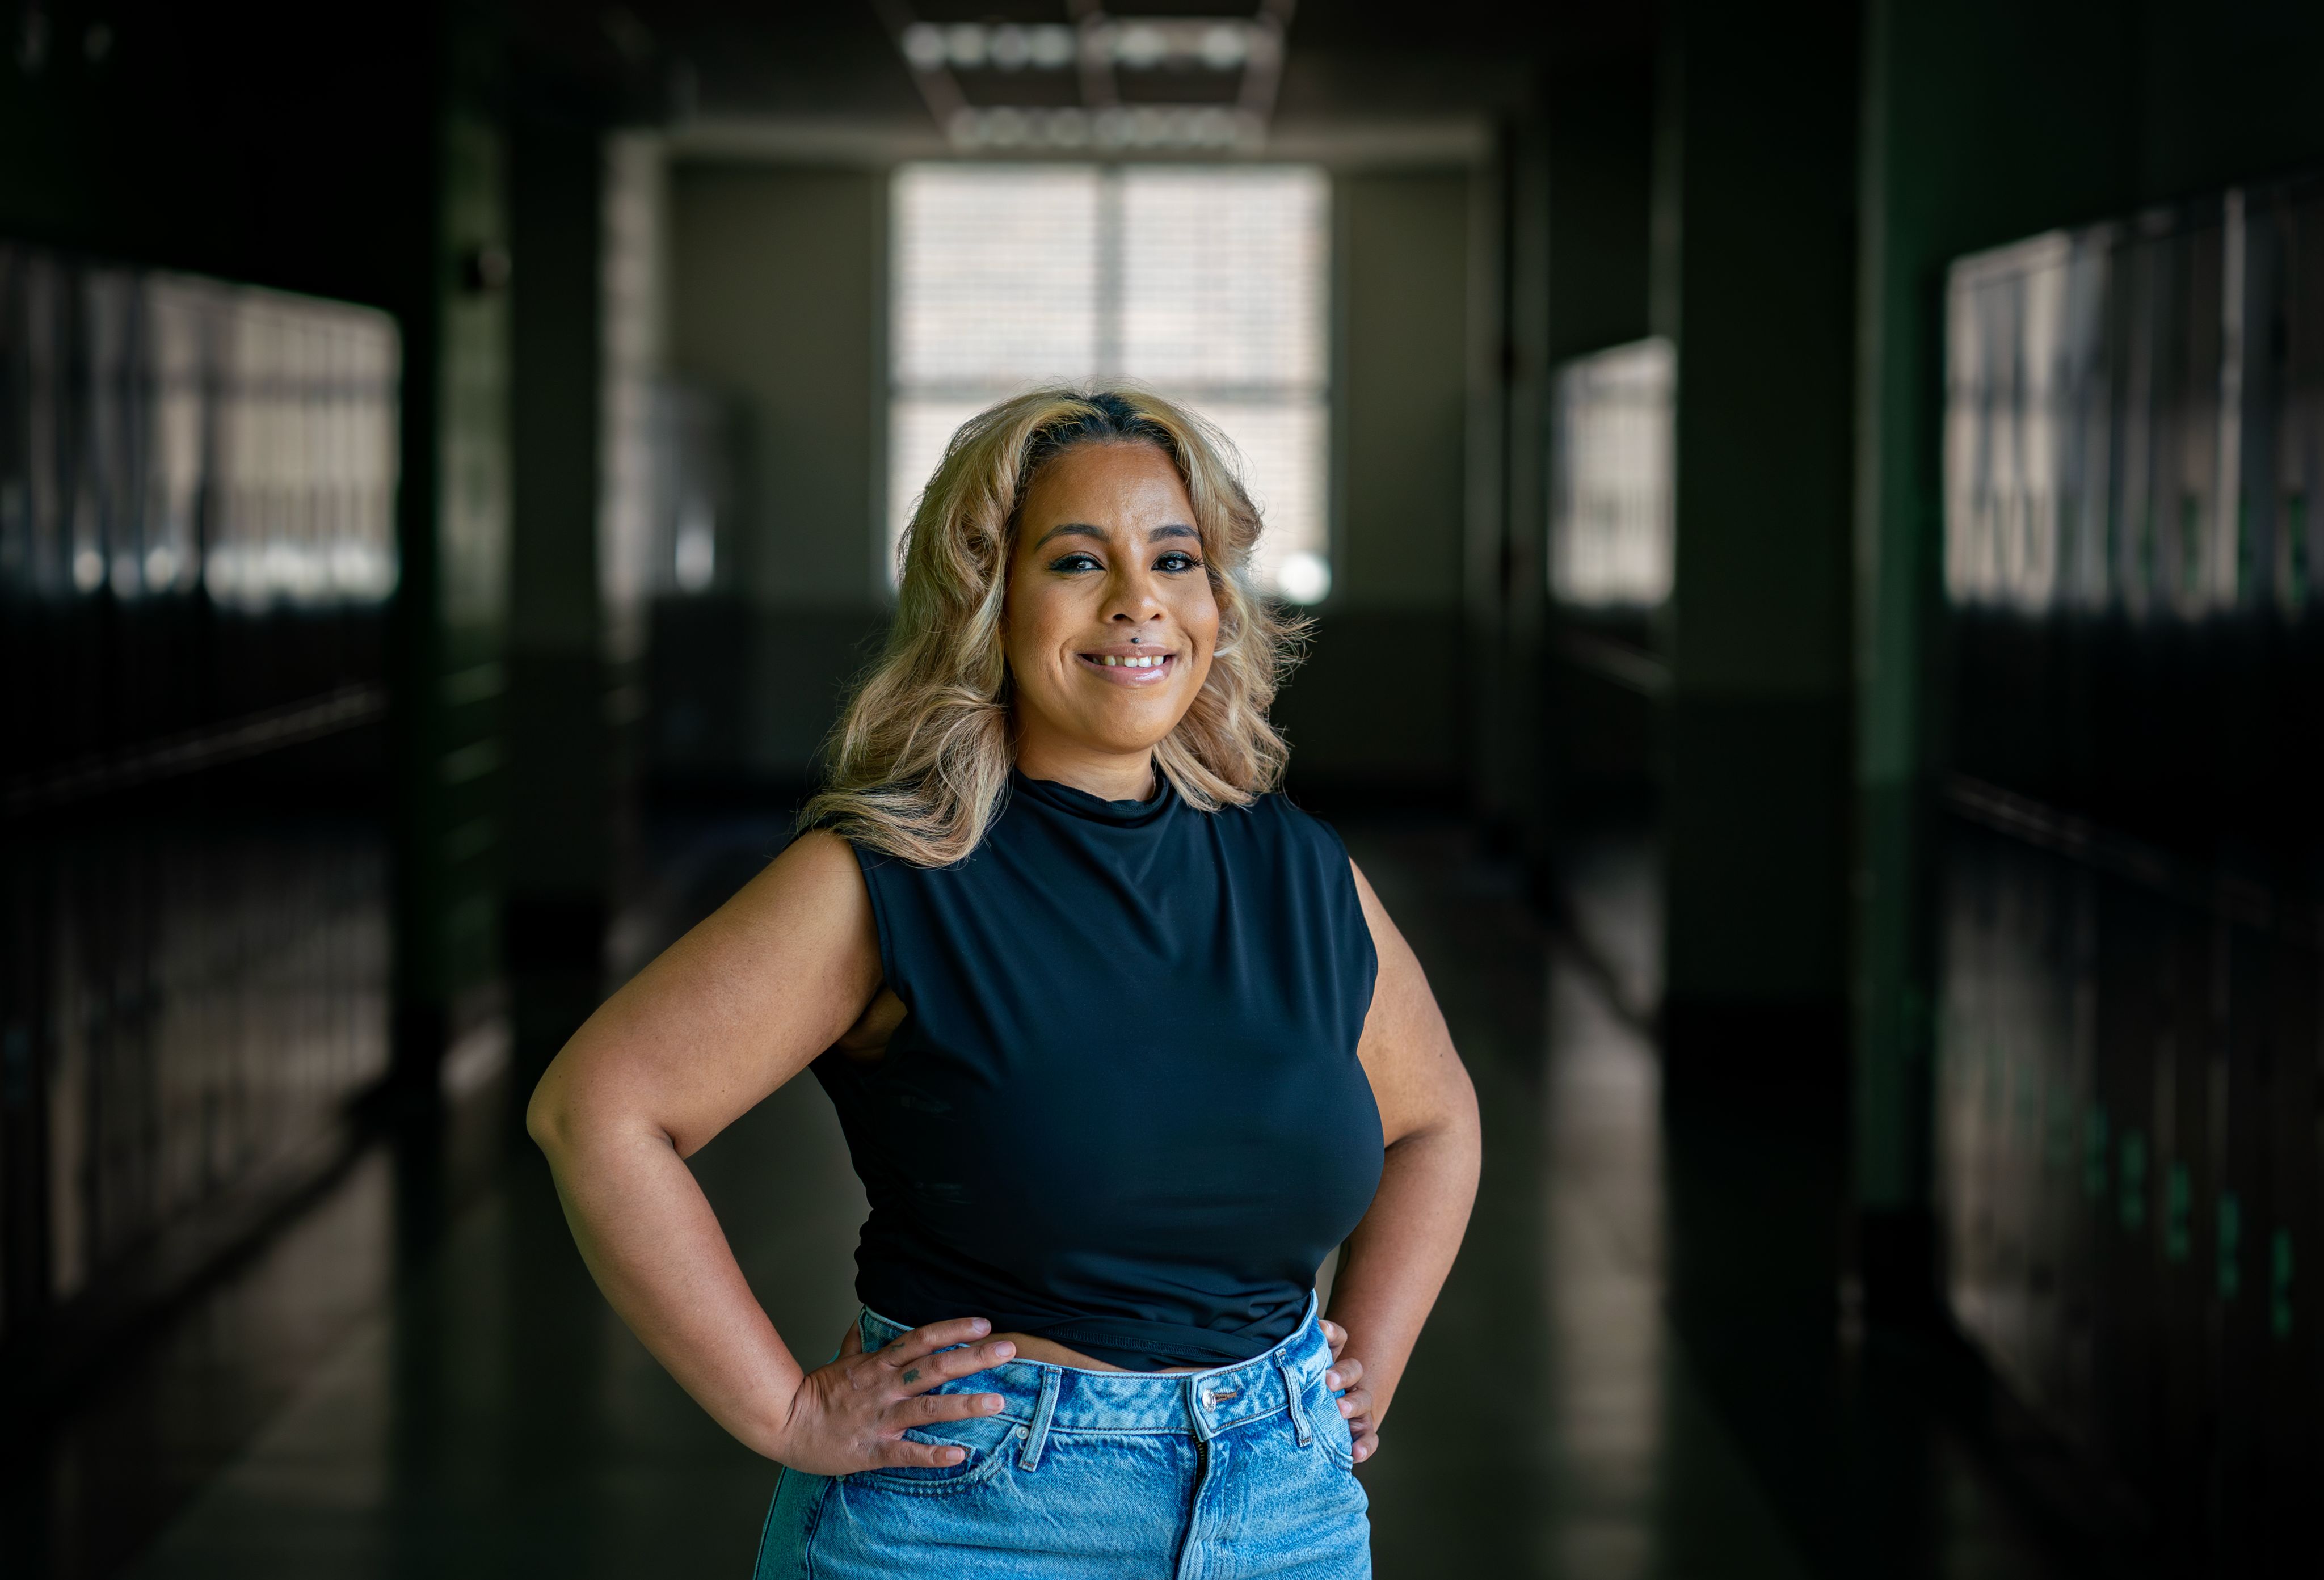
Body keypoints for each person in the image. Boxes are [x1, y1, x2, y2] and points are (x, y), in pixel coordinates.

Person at [528, 387, 1480, 1578]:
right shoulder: (890, 875)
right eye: (1078, 560)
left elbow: (1436, 1120)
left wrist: (1357, 1371)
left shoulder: (1296, 867)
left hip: (1282, 1512)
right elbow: (597, 1109)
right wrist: (782, 1410)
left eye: (1173, 558)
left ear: (1213, 599)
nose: (1137, 600)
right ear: (988, 599)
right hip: (970, 1518)